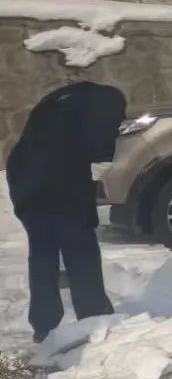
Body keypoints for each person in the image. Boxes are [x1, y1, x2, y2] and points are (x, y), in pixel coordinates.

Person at [6, 80, 126, 343]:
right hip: (57, 182)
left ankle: (44, 325)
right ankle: (95, 317)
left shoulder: (59, 100)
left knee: (43, 252)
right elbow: (101, 147)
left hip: (24, 178)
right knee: (81, 251)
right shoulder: (107, 103)